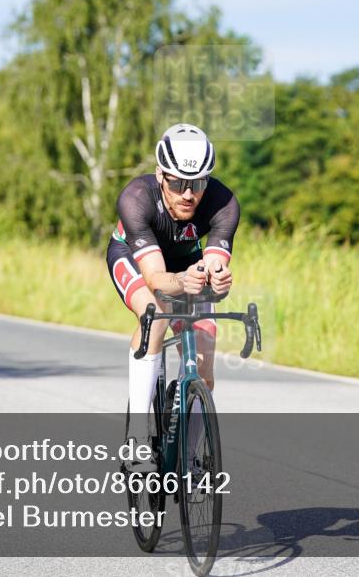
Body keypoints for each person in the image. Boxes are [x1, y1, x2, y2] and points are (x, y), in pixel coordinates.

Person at [106, 123, 240, 469]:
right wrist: (182, 281)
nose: (188, 194)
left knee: (205, 358)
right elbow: (154, 277)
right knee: (155, 313)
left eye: (197, 183)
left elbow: (212, 260)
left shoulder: (224, 203)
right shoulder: (135, 198)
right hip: (135, 257)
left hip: (185, 260)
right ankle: (136, 437)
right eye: (178, 183)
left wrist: (217, 277)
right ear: (160, 175)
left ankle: (191, 458)